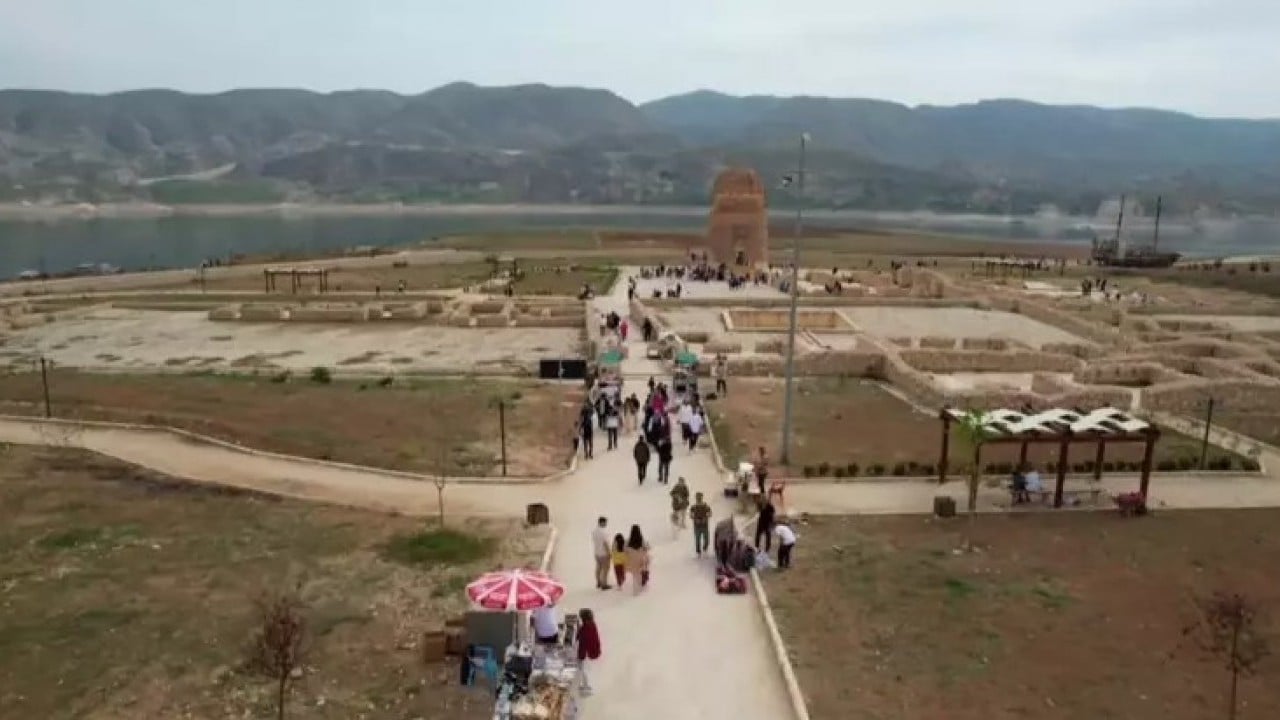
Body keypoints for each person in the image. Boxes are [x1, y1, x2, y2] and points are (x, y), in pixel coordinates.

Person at [576, 608, 602, 695]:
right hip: (595, 651)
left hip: (589, 654)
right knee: (588, 671)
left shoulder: (584, 630)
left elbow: (582, 646)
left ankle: (586, 688)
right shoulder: (592, 624)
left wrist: (580, 658)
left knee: (585, 671)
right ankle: (587, 687)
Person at [625, 525, 651, 593]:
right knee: (639, 574)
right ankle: (639, 589)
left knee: (635, 575)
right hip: (640, 560)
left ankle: (636, 590)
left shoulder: (628, 540)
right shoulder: (642, 540)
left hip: (632, 560)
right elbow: (647, 548)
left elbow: (625, 550)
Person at [591, 517, 612, 590]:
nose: (606, 524)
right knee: (605, 569)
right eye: (605, 522)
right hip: (604, 553)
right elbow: (605, 543)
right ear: (602, 522)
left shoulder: (594, 531)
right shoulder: (603, 532)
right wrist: (609, 553)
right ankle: (604, 584)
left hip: (596, 552)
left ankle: (598, 582)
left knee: (598, 568)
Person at [690, 492, 712, 557]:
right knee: (697, 539)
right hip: (697, 525)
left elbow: (710, 513)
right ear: (696, 498)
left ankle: (705, 548)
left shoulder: (705, 506)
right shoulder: (693, 507)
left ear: (702, 498)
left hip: (704, 525)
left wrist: (706, 518)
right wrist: (695, 519)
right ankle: (698, 552)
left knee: (706, 539)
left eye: (700, 497)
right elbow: (691, 515)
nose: (699, 498)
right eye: (697, 497)